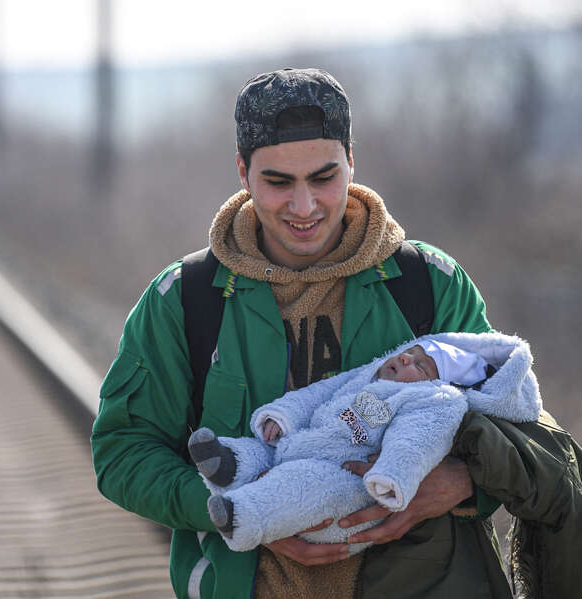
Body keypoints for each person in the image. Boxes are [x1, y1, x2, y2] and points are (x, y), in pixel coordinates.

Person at [90, 67, 580, 598]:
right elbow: (123, 452)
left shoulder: (427, 284)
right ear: (242, 172)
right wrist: (240, 516)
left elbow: (520, 422)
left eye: (324, 177)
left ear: (352, 162)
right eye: (278, 183)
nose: (304, 207)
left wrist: (460, 485)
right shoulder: (184, 300)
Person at [187, 332, 540, 554]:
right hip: (305, 443)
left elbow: (415, 442)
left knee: (304, 485)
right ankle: (227, 463)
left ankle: (245, 516)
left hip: (351, 480)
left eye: (422, 365)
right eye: (410, 352)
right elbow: (319, 393)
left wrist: (392, 476)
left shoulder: (436, 402)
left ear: (439, 384)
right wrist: (281, 417)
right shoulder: (369, 374)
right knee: (262, 451)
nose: (405, 359)